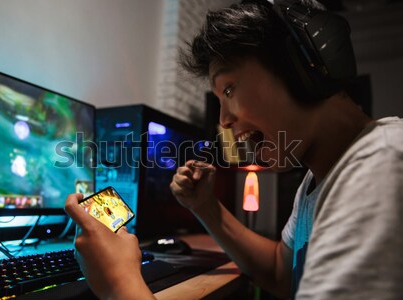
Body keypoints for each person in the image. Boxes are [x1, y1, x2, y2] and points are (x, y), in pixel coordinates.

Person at [65, 0, 403, 299]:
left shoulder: (380, 167)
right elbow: (279, 273)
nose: (224, 121)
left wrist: (118, 283)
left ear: (300, 69)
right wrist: (205, 207)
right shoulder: (320, 180)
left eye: (228, 90)